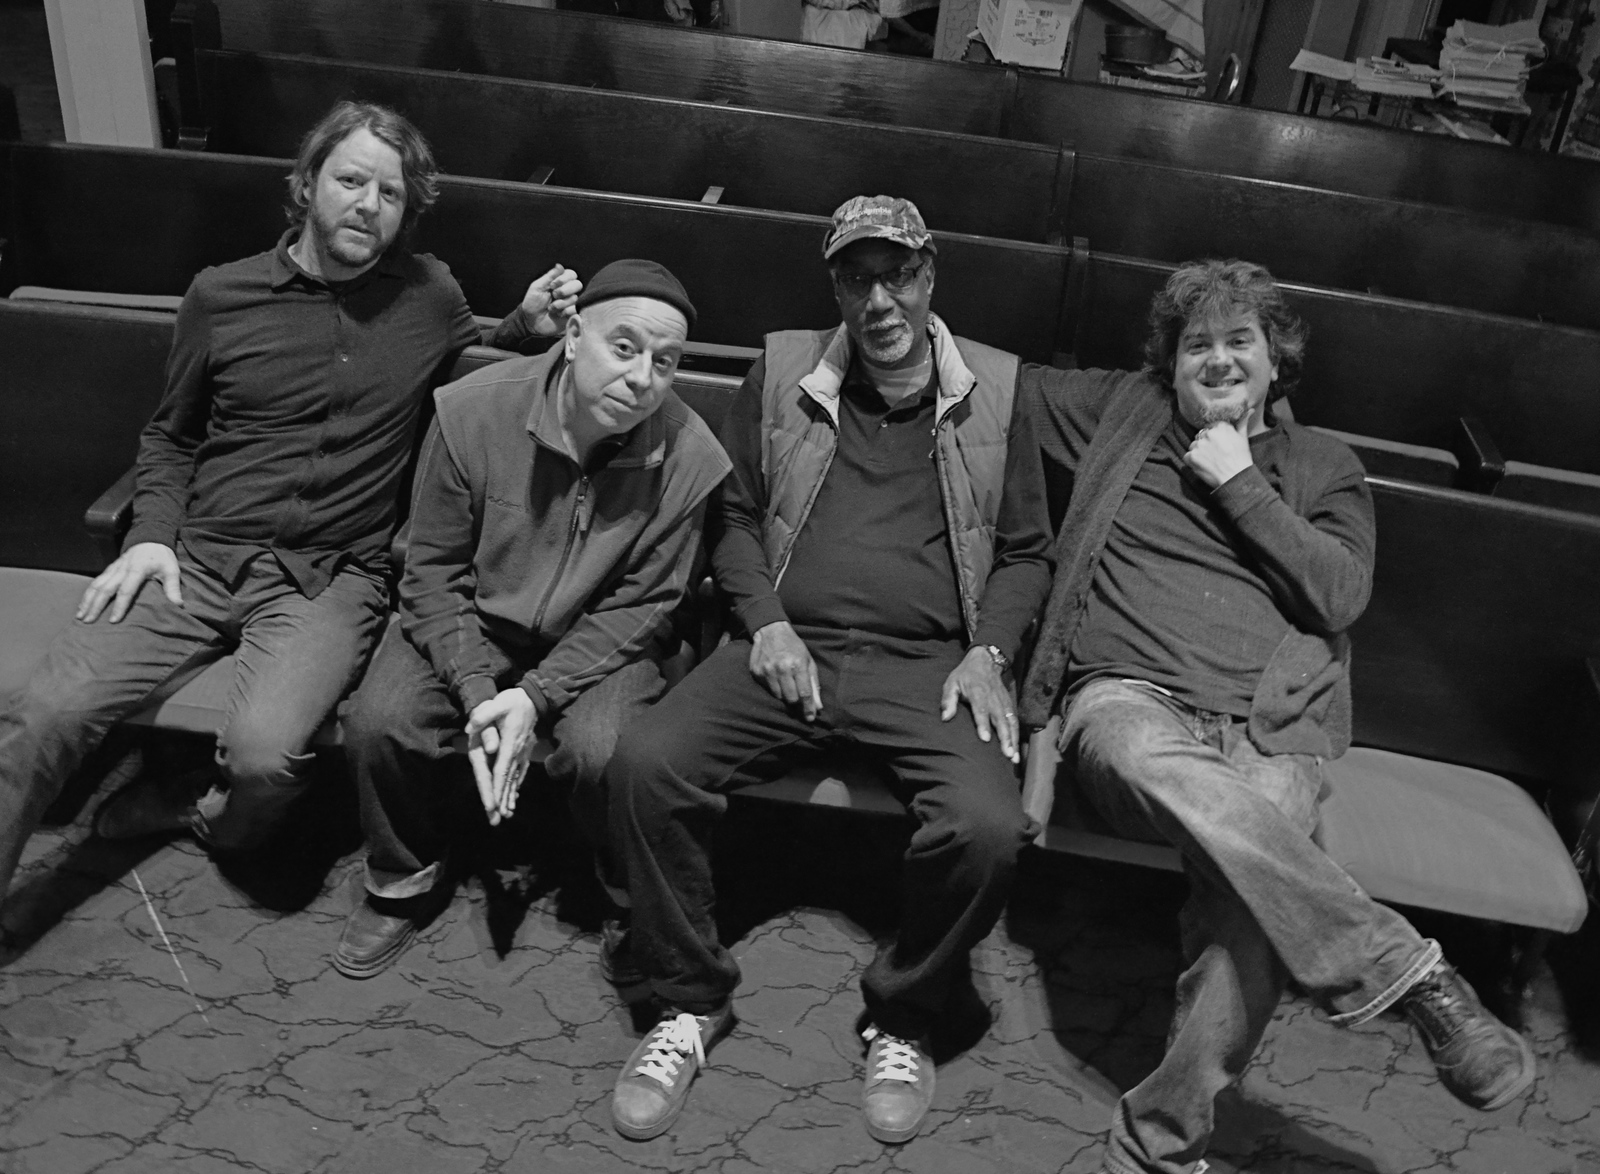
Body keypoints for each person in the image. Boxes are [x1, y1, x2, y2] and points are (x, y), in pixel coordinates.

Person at [1017, 259, 1536, 1174]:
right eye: (1196, 346)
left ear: (1274, 360)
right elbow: (979, 375)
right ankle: (1402, 970)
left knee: (1250, 905)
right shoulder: (1122, 412)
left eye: (1238, 341)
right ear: (1167, 365)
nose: (1217, 360)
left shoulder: (1326, 464)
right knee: (1147, 754)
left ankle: (1160, 1144)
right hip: (1131, 700)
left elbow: (1340, 594)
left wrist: (1240, 483)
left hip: (1268, 726)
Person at [0, 100, 579, 911]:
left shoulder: (429, 294)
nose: (368, 205)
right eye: (351, 181)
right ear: (307, 185)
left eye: (390, 193)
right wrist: (152, 536)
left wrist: (523, 325)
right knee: (45, 712)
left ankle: (200, 815)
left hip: (328, 579)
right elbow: (171, 435)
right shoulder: (220, 295)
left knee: (265, 761)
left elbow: (468, 369)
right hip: (198, 557)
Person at [601, 195, 1053, 1144]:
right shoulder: (782, 372)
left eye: (898, 275)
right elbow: (732, 518)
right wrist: (764, 624)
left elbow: (1024, 553)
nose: (879, 300)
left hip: (927, 664)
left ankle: (906, 1013)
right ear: (836, 289)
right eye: (857, 279)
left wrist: (989, 653)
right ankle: (688, 999)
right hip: (787, 646)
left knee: (987, 827)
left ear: (930, 276)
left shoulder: (1001, 389)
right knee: (643, 765)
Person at [333, 260, 731, 977]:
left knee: (607, 751)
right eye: (624, 347)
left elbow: (645, 604)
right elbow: (432, 571)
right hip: (479, 616)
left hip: (600, 633)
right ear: (574, 336)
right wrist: (477, 691)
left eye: (665, 361)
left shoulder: (691, 455)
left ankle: (623, 889)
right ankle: (402, 874)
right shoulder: (472, 411)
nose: (642, 378)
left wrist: (535, 695)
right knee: (380, 722)